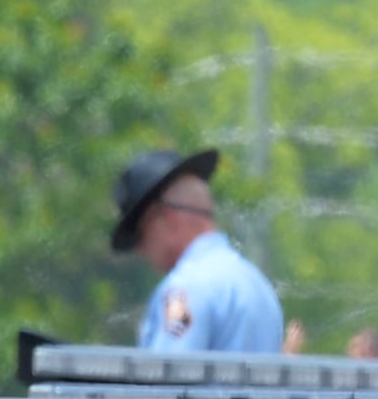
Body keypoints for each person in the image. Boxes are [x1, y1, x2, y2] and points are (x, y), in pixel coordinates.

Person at [113, 146, 285, 354]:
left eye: (141, 233)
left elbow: (166, 379)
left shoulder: (184, 289)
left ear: (169, 220)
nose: (140, 249)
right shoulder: (256, 283)